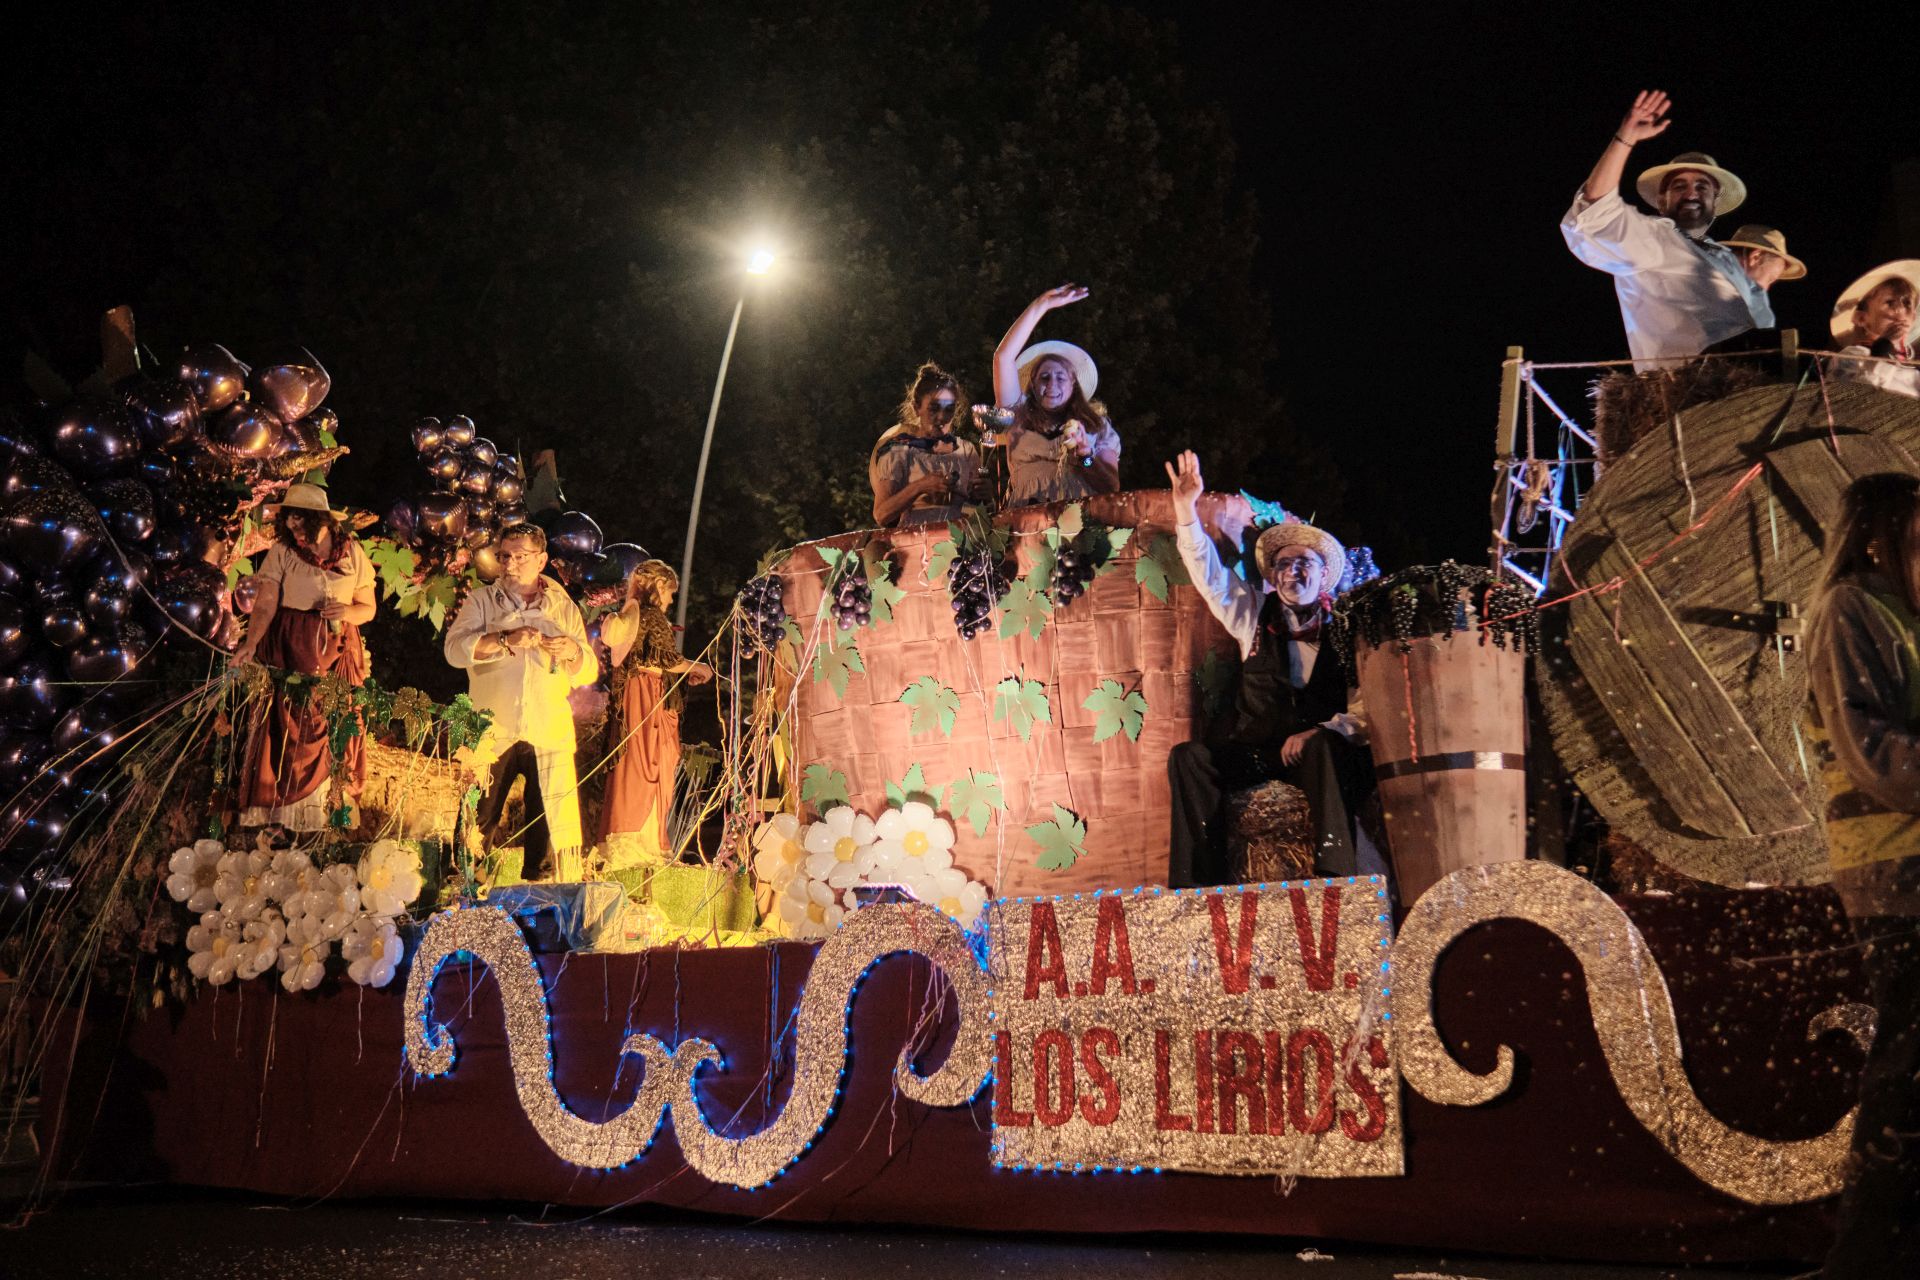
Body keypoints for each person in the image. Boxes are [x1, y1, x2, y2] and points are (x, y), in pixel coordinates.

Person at [1161, 451, 1380, 888]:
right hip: (1258, 752)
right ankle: (1194, 888)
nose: (1292, 571)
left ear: (1323, 577)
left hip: (1318, 758)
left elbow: (1366, 710)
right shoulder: (1253, 615)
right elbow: (1209, 575)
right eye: (1283, 563)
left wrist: (1324, 730)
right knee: (1189, 758)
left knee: (1328, 749)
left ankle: (1336, 880)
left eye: (1303, 563)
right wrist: (1186, 511)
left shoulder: (1347, 632)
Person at [1803, 472, 1920, 1275]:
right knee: (1910, 1066)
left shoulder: (1908, 618)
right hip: (1895, 878)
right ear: (1881, 534)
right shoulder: (1852, 611)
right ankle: (1866, 1258)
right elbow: (1870, 748)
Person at [1561, 90, 1773, 370]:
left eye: (1702, 187)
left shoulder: (1723, 256)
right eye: (1679, 186)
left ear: (1714, 201)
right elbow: (1594, 215)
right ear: (1662, 202)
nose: (1692, 193)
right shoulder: (1655, 238)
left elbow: (1760, 323)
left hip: (1749, 375)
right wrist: (1625, 139)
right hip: (1691, 384)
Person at [445, 522, 598, 882]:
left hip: (547, 725)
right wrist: (503, 639)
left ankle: (541, 892)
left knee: (548, 816)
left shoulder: (562, 607)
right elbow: (453, 651)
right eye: (504, 556)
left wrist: (573, 650)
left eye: (520, 557)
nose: (509, 564)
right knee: (478, 811)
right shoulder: (482, 600)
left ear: (541, 560)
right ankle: (463, 884)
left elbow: (588, 669)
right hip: (492, 725)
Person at [233, 484, 378, 830]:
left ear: (321, 521)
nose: (294, 529)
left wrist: (346, 610)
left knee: (337, 722)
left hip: (339, 651)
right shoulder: (283, 551)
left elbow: (368, 609)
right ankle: (283, 817)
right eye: (289, 522)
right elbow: (266, 601)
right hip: (292, 646)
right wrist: (250, 643)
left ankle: (328, 811)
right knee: (291, 725)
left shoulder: (352, 553)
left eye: (301, 522)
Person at [597, 559, 713, 869]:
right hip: (646, 696)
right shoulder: (650, 615)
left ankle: (642, 841)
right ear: (659, 587)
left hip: (641, 692)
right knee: (647, 763)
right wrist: (698, 667)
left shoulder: (637, 615)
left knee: (644, 763)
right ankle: (640, 843)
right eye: (670, 593)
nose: (671, 600)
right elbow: (665, 658)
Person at [991, 285, 1121, 505]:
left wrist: (1085, 455)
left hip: (1079, 523)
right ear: (1032, 385)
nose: (1052, 384)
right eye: (1044, 377)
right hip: (1026, 519)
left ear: (1073, 384)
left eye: (1060, 377)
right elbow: (1003, 358)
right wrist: (1041, 305)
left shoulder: (1095, 425)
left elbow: (1110, 486)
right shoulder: (1017, 415)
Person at [869, 363, 983, 527]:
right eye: (934, 408)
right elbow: (881, 515)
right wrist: (919, 486)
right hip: (916, 542)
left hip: (961, 542)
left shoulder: (966, 450)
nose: (942, 417)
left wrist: (982, 497)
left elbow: (975, 512)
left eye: (949, 409)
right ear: (916, 408)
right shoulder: (899, 451)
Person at [1832, 262, 1920, 399]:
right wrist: (1884, 345)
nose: (1901, 310)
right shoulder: (1850, 356)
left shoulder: (1911, 368)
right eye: (1890, 303)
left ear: (1914, 317)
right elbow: (1857, 393)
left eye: (1907, 303)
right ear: (1862, 318)